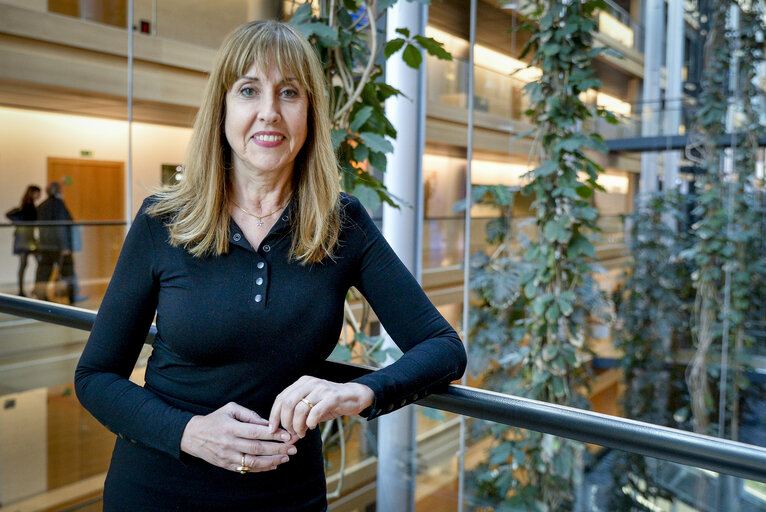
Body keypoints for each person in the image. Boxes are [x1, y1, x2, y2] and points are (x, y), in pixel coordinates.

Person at [74, 20, 466, 512]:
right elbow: (95, 377)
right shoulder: (164, 220)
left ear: (310, 114)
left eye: (289, 93)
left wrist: (359, 392)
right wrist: (190, 433)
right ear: (222, 109)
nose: (269, 113)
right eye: (248, 90)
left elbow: (444, 348)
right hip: (158, 489)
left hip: (287, 497)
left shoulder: (341, 223)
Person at [33, 181, 84, 303]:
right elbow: (61, 227)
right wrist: (65, 246)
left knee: (44, 272)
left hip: (45, 245)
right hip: (59, 246)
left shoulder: (42, 205)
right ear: (58, 191)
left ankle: (41, 297)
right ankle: (72, 296)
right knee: (68, 271)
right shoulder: (59, 205)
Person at [6, 185, 41, 296]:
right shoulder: (28, 206)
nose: (39, 195)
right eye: (37, 193)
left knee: (25, 264)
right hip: (25, 237)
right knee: (33, 262)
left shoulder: (27, 205)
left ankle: (25, 289)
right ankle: (29, 289)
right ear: (33, 193)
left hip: (25, 237)